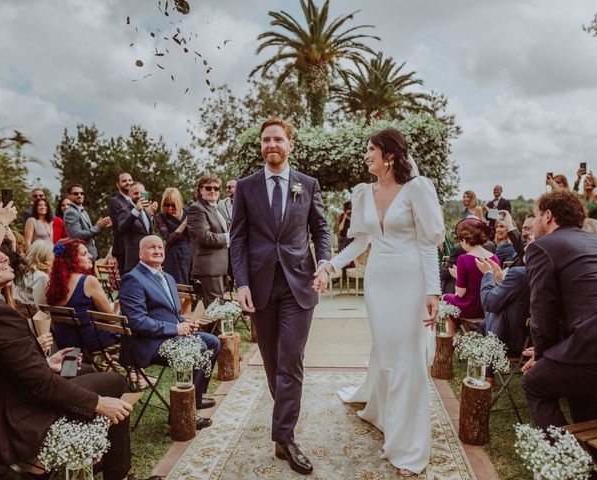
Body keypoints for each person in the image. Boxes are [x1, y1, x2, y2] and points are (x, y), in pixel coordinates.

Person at [314, 128, 443, 477]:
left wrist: (433, 291)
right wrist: (330, 265)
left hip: (412, 282)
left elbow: (428, 243)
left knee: (409, 361)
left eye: (371, 149)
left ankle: (410, 448)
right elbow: (360, 243)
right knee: (388, 358)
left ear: (390, 155)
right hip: (379, 283)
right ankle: (389, 418)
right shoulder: (362, 193)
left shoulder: (417, 188)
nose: (365, 154)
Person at [0, 231, 136, 480]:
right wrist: (99, 403)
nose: (5, 257)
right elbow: (39, 385)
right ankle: (117, 473)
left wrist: (46, 363)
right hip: (15, 417)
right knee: (115, 383)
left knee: (86, 370)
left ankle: (96, 455)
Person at [231, 118, 331, 475]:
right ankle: (285, 423)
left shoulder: (308, 184)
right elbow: (238, 239)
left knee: (290, 362)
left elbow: (320, 229)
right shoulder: (246, 187)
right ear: (262, 146)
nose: (271, 144)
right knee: (274, 366)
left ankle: (284, 438)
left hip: (298, 285)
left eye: (278, 139)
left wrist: (324, 264)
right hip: (259, 288)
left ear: (290, 144)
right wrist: (241, 283)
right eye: (266, 140)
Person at [521, 191, 597, 453]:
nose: (535, 223)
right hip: (594, 346)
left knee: (534, 383)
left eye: (536, 215)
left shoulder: (542, 247)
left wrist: (542, 354)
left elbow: (542, 312)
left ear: (548, 216)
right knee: (569, 378)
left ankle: (569, 461)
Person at [118, 235, 219, 429]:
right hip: (147, 343)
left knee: (212, 342)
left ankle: (193, 399)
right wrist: (176, 328)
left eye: (160, 247)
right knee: (198, 347)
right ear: (140, 253)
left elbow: (172, 314)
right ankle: (179, 415)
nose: (157, 251)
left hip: (171, 335)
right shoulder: (133, 279)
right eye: (151, 248)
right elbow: (137, 322)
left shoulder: (168, 277)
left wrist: (185, 323)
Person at [45, 239, 119, 353]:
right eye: (84, 254)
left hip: (65, 342)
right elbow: (110, 319)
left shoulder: (55, 284)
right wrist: (118, 305)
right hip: (90, 341)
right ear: (72, 260)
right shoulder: (88, 281)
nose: (90, 256)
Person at [443, 216, 500, 335]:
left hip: (469, 308)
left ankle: (451, 336)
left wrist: (458, 278)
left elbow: (461, 293)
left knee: (445, 298)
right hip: (486, 308)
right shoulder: (494, 257)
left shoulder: (463, 259)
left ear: (464, 239)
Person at [188, 175, 231, 306]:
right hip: (208, 270)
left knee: (216, 309)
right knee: (214, 310)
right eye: (208, 188)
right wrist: (228, 237)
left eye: (216, 188)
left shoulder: (218, 208)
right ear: (201, 190)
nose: (213, 191)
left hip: (221, 268)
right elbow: (205, 237)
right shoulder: (197, 208)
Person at [116, 182, 158, 273]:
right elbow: (120, 230)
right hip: (134, 262)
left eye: (141, 193)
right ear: (129, 194)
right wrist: (136, 210)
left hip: (149, 261)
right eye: (135, 193)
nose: (139, 196)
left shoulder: (146, 212)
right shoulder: (124, 210)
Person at [63, 183, 112, 260]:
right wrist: (98, 227)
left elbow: (88, 232)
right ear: (69, 196)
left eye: (82, 193)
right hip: (81, 256)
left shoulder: (83, 211)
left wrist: (101, 227)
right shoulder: (71, 212)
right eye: (76, 193)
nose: (79, 195)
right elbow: (77, 236)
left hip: (89, 255)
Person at [154, 187, 191, 285]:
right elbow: (169, 239)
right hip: (173, 255)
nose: (170, 208)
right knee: (177, 286)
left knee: (192, 289)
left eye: (173, 205)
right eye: (167, 205)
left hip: (189, 253)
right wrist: (184, 224)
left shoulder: (187, 212)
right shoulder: (160, 216)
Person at [107, 172, 135, 269]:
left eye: (130, 180)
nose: (128, 183)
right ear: (118, 185)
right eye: (124, 181)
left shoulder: (137, 200)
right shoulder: (114, 202)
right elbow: (119, 227)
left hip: (138, 247)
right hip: (124, 249)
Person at [13, 240, 53, 305]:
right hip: (31, 314)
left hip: (19, 310)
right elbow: (41, 307)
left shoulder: (22, 270)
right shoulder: (41, 277)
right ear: (46, 258)